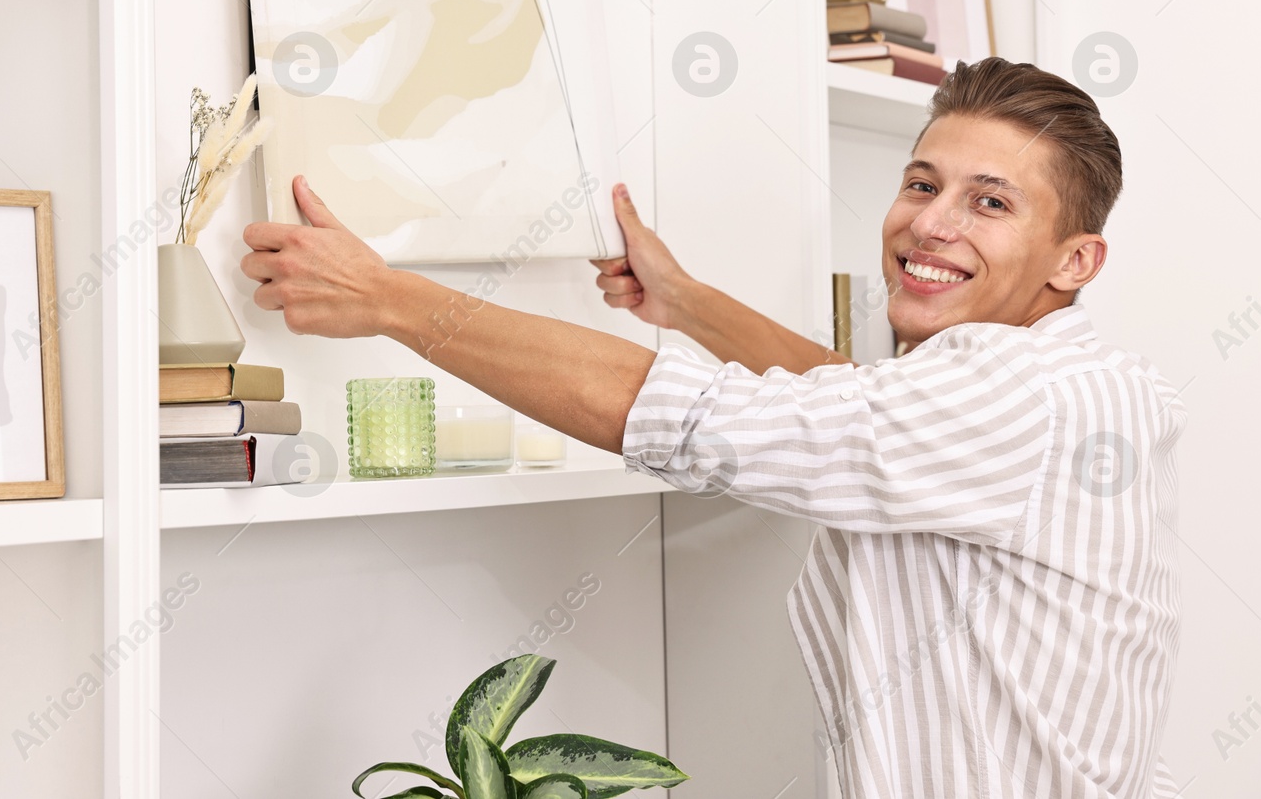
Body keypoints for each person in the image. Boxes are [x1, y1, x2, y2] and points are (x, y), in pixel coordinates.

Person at [240, 57, 1185, 799]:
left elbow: (698, 420)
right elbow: (857, 405)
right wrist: (687, 301)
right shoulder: (1063, 381)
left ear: (1075, 258)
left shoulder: (1015, 399)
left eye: (990, 201)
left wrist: (390, 298)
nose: (930, 224)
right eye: (921, 183)